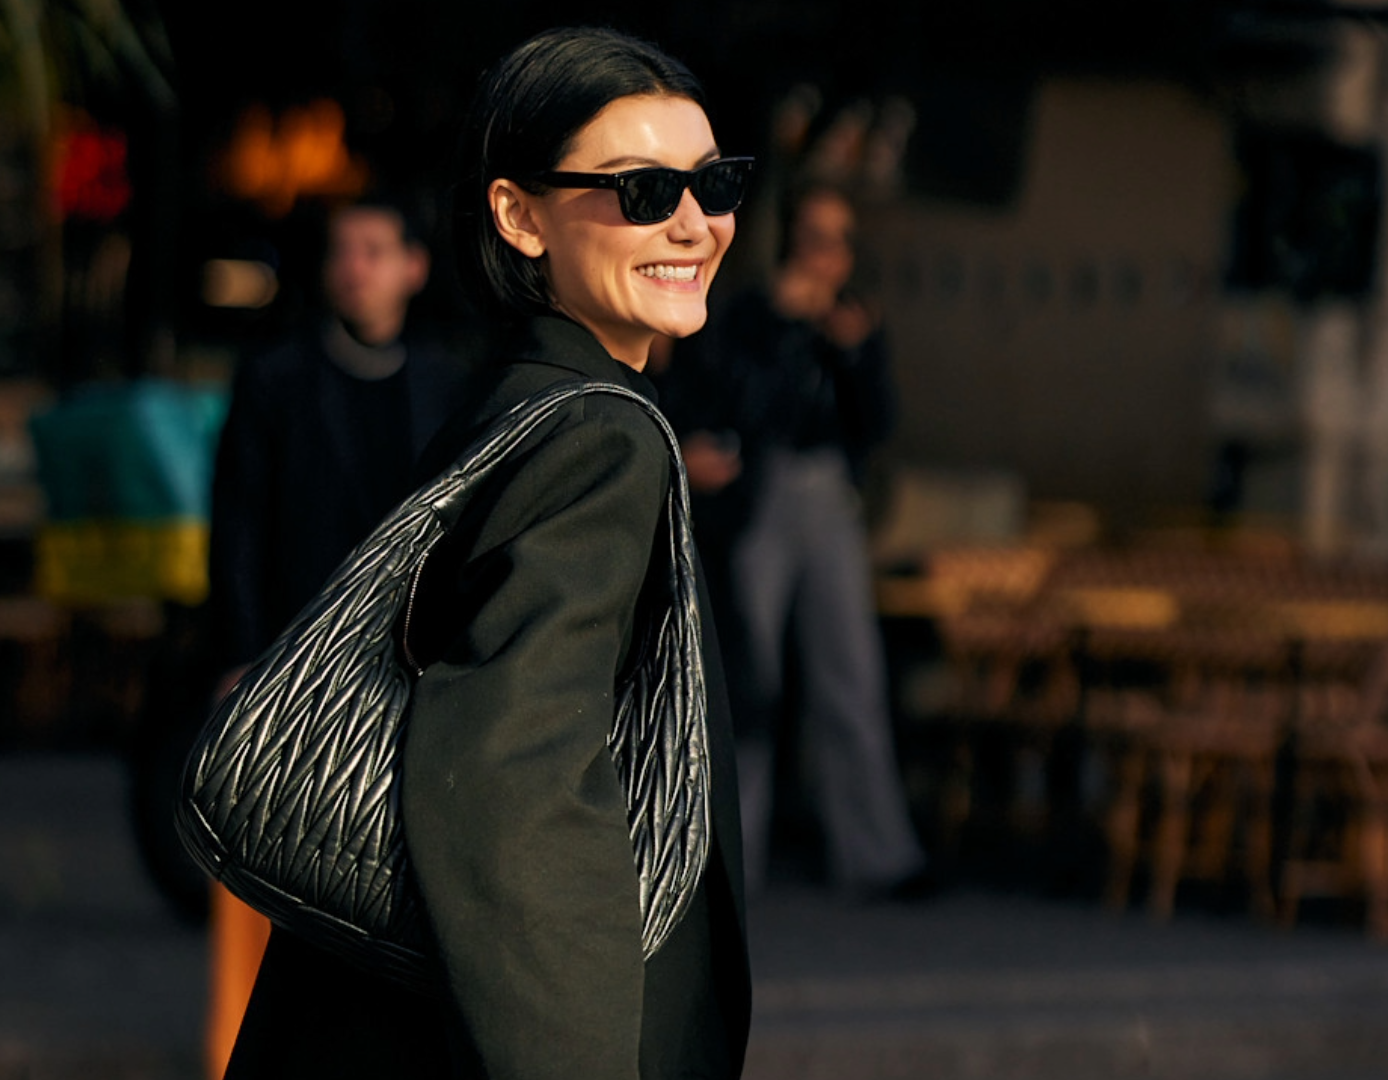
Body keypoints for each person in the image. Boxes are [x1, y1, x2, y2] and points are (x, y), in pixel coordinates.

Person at [220, 26, 753, 1080]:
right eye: (644, 190)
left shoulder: (514, 400)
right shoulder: (601, 437)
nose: (694, 223)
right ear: (519, 216)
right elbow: (520, 793)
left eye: (715, 182)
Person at [658, 183, 931, 902]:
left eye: (839, 241)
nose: (825, 256)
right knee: (750, 678)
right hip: (760, 492)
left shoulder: (853, 320)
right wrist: (785, 325)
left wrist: (855, 351)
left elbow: (877, 422)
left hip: (829, 494)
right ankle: (727, 861)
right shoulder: (751, 313)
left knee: (851, 674)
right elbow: (741, 400)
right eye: (813, 238)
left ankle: (875, 852)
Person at [206, 194, 469, 687]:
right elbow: (239, 522)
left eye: (373, 251)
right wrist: (238, 653)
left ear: (414, 267)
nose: (354, 268)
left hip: (406, 650)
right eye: (341, 251)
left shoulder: (445, 383)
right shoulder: (277, 377)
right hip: (295, 642)